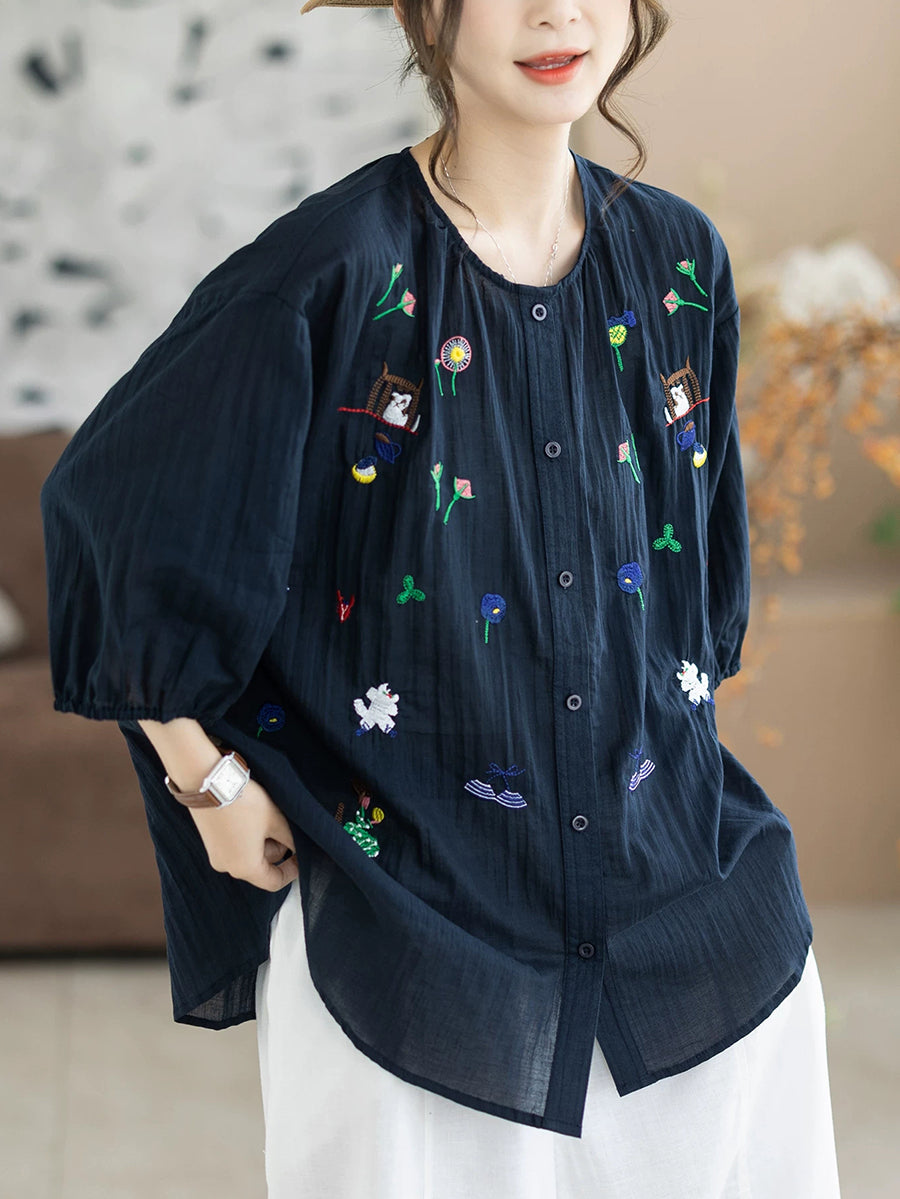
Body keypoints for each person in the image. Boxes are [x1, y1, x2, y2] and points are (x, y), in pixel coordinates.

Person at [39, 0, 843, 1194]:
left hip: (692, 914)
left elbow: (691, 591)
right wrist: (204, 780)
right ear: (427, 10)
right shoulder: (330, 269)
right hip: (409, 935)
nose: (557, 11)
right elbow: (112, 500)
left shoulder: (682, 261)